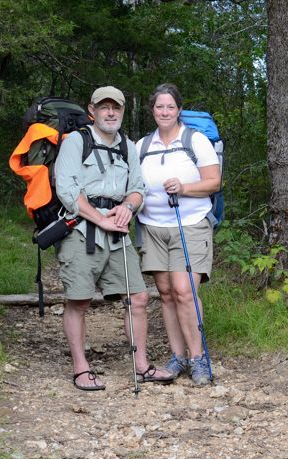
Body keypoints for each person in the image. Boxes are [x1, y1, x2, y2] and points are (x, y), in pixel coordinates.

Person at [55, 86, 174, 391]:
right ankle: (81, 369)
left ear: (122, 111)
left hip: (118, 232)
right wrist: (100, 219)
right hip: (81, 231)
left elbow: (138, 189)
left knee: (138, 298)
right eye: (104, 107)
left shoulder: (127, 146)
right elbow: (67, 190)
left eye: (116, 108)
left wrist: (127, 208)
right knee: (79, 300)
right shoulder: (75, 142)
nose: (111, 113)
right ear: (91, 110)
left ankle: (141, 366)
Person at [136, 83, 219, 386]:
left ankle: (198, 358)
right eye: (159, 106)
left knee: (184, 291)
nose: (165, 112)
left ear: (179, 110)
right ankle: (177, 356)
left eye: (170, 106)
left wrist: (183, 188)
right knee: (167, 294)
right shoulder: (142, 145)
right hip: (153, 228)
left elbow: (214, 182)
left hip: (191, 225)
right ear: (152, 110)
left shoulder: (195, 140)